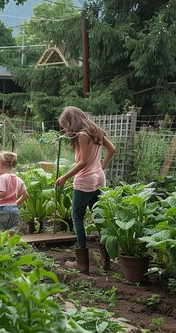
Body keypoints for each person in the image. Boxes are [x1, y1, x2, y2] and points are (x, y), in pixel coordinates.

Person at [56, 106, 116, 274]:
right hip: (98, 179)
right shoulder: (96, 131)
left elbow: (82, 162)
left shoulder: (82, 135)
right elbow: (112, 149)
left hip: (85, 181)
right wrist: (101, 166)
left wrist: (64, 177)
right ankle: (106, 259)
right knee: (99, 218)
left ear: (70, 122)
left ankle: (82, 264)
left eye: (64, 126)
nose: (65, 130)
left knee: (77, 217)